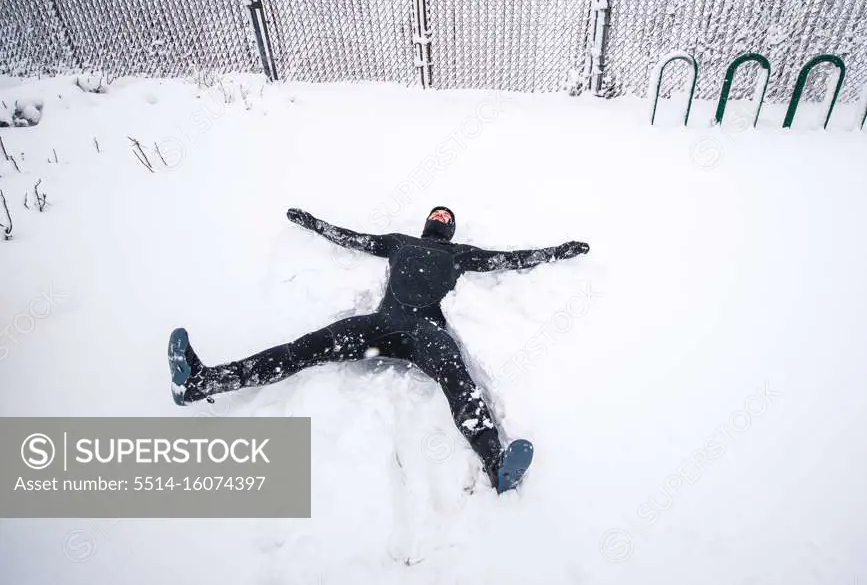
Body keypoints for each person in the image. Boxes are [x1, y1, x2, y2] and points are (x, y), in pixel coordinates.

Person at [168, 206, 590, 493]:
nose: (440, 217)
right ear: (427, 222)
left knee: (457, 377)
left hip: (426, 330)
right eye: (436, 213)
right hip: (380, 324)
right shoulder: (398, 241)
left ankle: (496, 464)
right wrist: (314, 223)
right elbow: (353, 238)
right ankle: (204, 381)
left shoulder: (461, 254)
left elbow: (510, 259)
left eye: (446, 215)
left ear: (451, 228)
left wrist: (557, 251)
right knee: (305, 347)